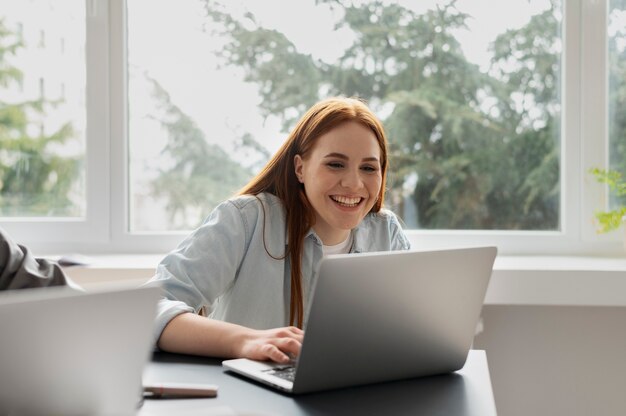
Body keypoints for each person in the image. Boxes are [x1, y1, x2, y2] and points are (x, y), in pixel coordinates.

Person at [146, 97, 411, 364]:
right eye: (335, 164)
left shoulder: (386, 233)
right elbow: (147, 310)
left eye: (368, 168)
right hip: (250, 399)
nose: (354, 183)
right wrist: (246, 340)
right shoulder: (245, 220)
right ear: (300, 168)